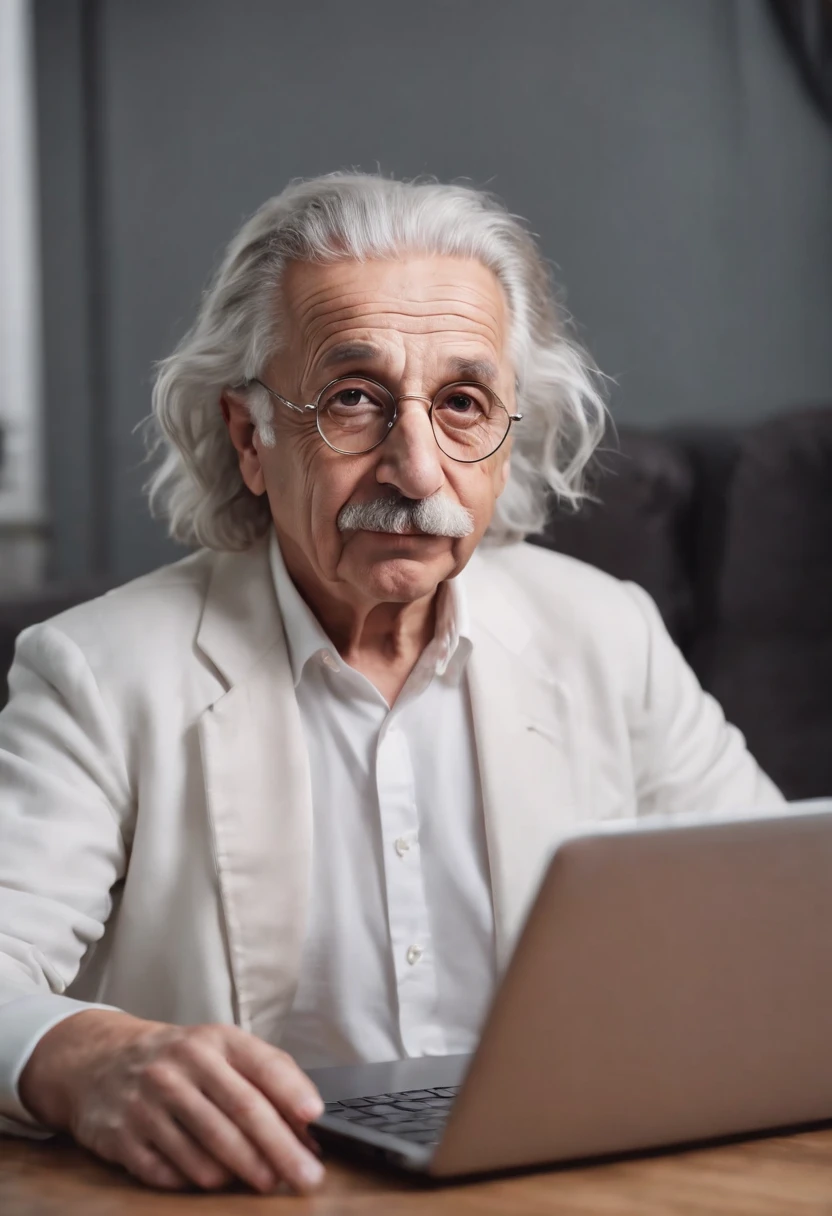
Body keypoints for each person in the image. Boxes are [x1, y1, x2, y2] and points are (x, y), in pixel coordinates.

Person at [0, 173, 781, 1194]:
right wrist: (84, 1057)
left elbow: (780, 933)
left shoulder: (606, 633)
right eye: (354, 400)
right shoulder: (101, 672)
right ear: (250, 438)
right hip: (259, 1188)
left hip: (562, 1177)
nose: (415, 468)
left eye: (462, 404)